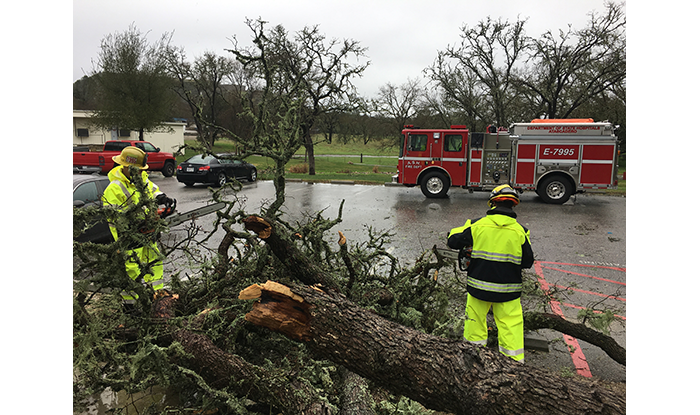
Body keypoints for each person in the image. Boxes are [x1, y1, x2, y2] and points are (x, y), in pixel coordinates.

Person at [447, 184, 534, 361]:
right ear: (513, 205)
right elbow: (527, 262)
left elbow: (452, 240)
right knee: (510, 328)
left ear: (492, 204)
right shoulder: (521, 231)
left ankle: (473, 361)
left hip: (478, 288)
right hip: (508, 292)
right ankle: (514, 367)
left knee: (475, 324)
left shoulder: (477, 225)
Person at [101, 146, 174, 305]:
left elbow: (152, 190)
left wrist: (161, 197)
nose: (140, 173)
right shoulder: (114, 188)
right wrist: (135, 226)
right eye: (137, 170)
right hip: (129, 239)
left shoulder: (142, 179)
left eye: (141, 170)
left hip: (147, 235)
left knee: (155, 263)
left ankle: (157, 297)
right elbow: (115, 217)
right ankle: (131, 306)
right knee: (132, 271)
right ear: (126, 167)